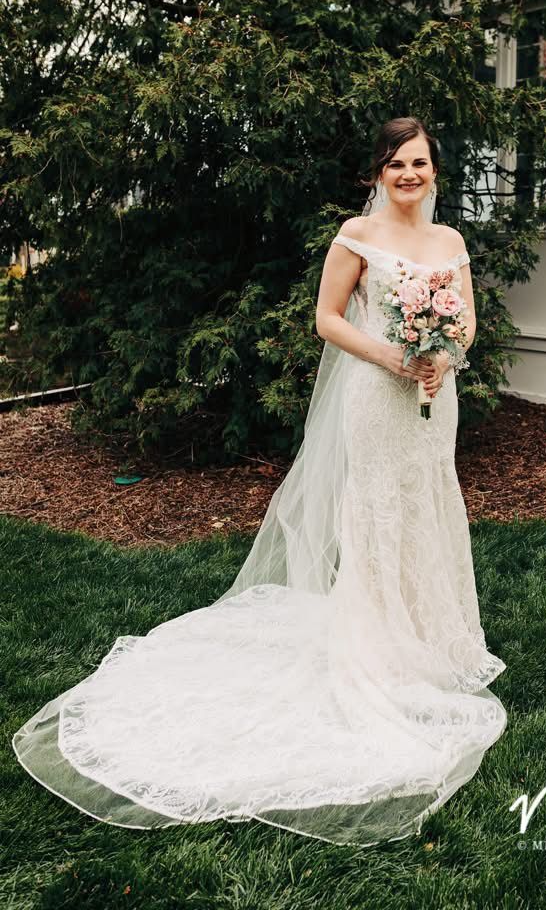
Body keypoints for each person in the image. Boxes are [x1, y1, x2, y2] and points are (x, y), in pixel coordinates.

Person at [12, 116, 507, 846]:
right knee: (377, 508)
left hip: (436, 398)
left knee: (427, 501)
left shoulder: (450, 241)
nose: (409, 174)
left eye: (420, 163)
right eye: (396, 163)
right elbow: (327, 320)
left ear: (435, 171)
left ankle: (431, 635)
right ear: (378, 173)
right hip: (378, 395)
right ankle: (378, 648)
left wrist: (443, 356)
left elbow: (465, 325)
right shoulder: (356, 234)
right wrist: (393, 356)